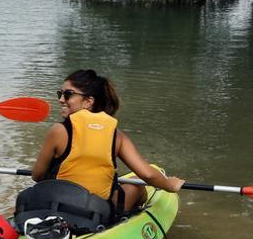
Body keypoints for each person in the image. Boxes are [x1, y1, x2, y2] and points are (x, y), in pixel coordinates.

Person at [31, 69, 183, 215]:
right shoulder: (117, 136)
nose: (61, 99)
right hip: (95, 214)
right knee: (136, 184)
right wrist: (170, 185)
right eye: (60, 93)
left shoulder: (58, 131)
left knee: (134, 181)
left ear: (88, 102)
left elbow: (37, 176)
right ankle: (132, 216)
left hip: (55, 207)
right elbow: (148, 175)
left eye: (67, 94)